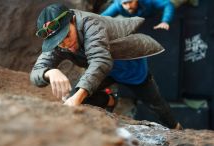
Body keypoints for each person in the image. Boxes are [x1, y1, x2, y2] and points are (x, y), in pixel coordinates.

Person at [30, 3, 182, 129]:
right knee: (72, 97)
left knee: (156, 103)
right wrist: (49, 72)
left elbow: (100, 60)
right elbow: (36, 71)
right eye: (58, 41)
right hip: (105, 73)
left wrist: (77, 97)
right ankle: (110, 100)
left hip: (129, 68)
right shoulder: (59, 43)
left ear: (73, 20)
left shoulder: (91, 23)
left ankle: (176, 128)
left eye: (67, 35)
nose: (65, 44)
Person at [101, 0, 175, 31]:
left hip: (156, 12)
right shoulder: (117, 5)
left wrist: (165, 21)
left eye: (130, 2)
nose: (128, 6)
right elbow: (102, 17)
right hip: (141, 19)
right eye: (125, 3)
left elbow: (167, 4)